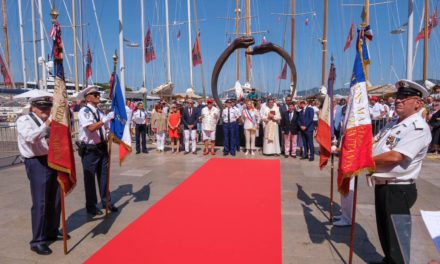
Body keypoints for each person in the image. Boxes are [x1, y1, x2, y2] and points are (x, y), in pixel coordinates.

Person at [369, 80, 431, 264]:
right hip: (383, 186)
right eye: (398, 97)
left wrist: (364, 162)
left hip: (398, 189)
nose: (398, 101)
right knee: (386, 235)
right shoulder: (394, 124)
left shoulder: (417, 128)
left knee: (397, 241)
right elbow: (374, 144)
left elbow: (396, 156)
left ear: (418, 103)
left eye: (405, 98)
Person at [17, 93, 68, 255]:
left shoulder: (49, 121)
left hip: (52, 159)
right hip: (37, 162)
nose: (45, 110)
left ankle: (52, 230)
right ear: (33, 108)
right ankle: (38, 240)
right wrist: (47, 123)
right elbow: (31, 137)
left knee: (55, 199)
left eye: (47, 107)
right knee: (41, 202)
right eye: (41, 107)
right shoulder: (24, 120)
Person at [78, 86, 118, 216]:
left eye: (98, 94)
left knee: (104, 177)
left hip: (102, 147)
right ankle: (91, 206)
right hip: (90, 150)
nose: (98, 96)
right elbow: (90, 128)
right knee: (89, 179)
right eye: (95, 94)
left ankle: (106, 201)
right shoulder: (84, 111)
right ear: (88, 98)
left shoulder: (100, 112)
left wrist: (108, 133)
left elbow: (105, 128)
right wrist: (104, 120)